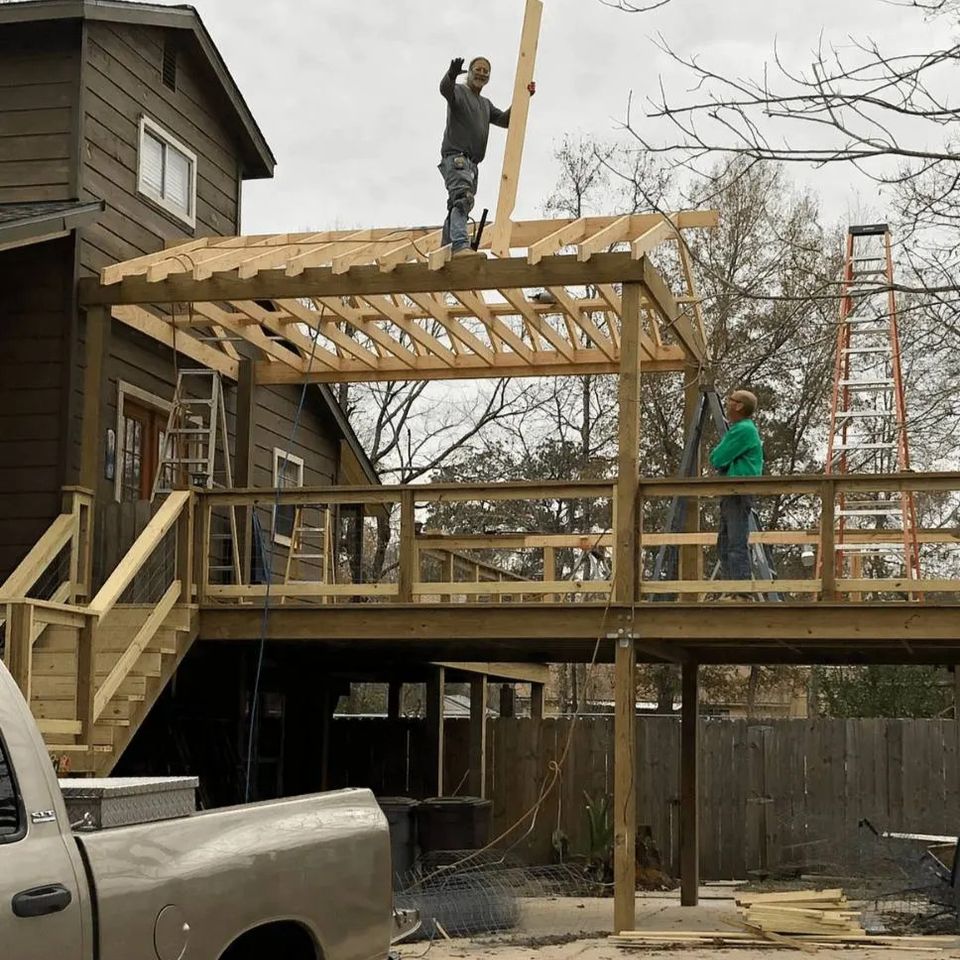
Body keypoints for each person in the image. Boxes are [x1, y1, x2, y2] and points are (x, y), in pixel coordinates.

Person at [438, 56, 535, 256]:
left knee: (459, 202)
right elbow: (445, 90)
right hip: (457, 157)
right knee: (462, 199)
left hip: (472, 164)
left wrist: (524, 97)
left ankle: (447, 249)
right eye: (478, 69)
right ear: (470, 72)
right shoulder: (459, 92)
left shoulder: (485, 104)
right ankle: (459, 246)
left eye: (485, 71)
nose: (481, 73)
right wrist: (451, 75)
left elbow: (506, 120)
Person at [708, 389, 764, 591]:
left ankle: (739, 591)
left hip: (737, 492)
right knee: (724, 543)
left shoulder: (743, 429)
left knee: (735, 543)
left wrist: (721, 458)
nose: (727, 403)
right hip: (732, 491)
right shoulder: (742, 429)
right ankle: (731, 588)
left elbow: (717, 458)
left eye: (730, 400)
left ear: (739, 406)